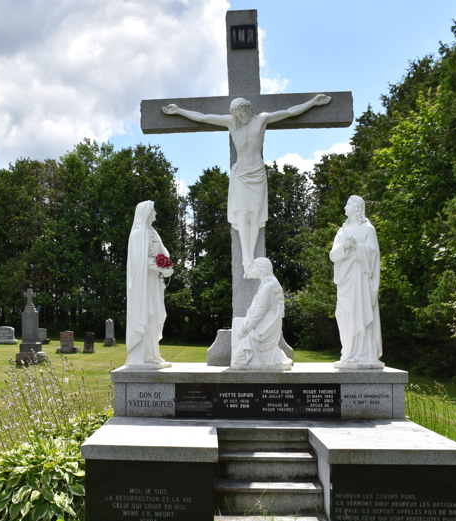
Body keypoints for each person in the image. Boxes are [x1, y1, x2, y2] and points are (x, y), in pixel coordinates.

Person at [162, 94, 331, 278]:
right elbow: (203, 117)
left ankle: (251, 259)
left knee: (254, 216)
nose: (240, 117)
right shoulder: (231, 123)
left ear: (248, 109)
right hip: (241, 174)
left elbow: (290, 112)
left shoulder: (262, 119)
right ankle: (246, 260)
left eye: (242, 113)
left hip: (257, 173)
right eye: (237, 114)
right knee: (242, 214)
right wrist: (179, 111)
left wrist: (313, 103)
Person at [329, 195, 383, 366]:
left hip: (360, 279)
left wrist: (357, 246)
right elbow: (332, 255)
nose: (345, 207)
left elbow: (373, 254)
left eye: (348, 204)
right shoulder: (342, 231)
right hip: (345, 280)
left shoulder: (368, 229)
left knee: (360, 312)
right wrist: (344, 247)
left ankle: (364, 354)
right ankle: (349, 351)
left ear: (356, 208)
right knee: (343, 314)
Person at [126, 201, 173, 365]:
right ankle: (144, 356)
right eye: (153, 210)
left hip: (154, 282)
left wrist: (167, 267)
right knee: (148, 315)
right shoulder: (138, 234)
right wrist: (158, 267)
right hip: (143, 284)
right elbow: (138, 261)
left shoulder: (153, 233)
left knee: (157, 316)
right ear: (146, 213)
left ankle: (153, 354)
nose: (156, 213)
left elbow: (163, 254)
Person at [231, 257, 291, 368]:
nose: (252, 269)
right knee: (237, 322)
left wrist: (249, 327)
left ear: (262, 269)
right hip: (261, 321)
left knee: (239, 357)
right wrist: (247, 322)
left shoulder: (269, 286)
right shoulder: (264, 285)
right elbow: (253, 308)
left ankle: (245, 358)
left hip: (266, 325)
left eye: (254, 267)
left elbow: (261, 310)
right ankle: (242, 357)